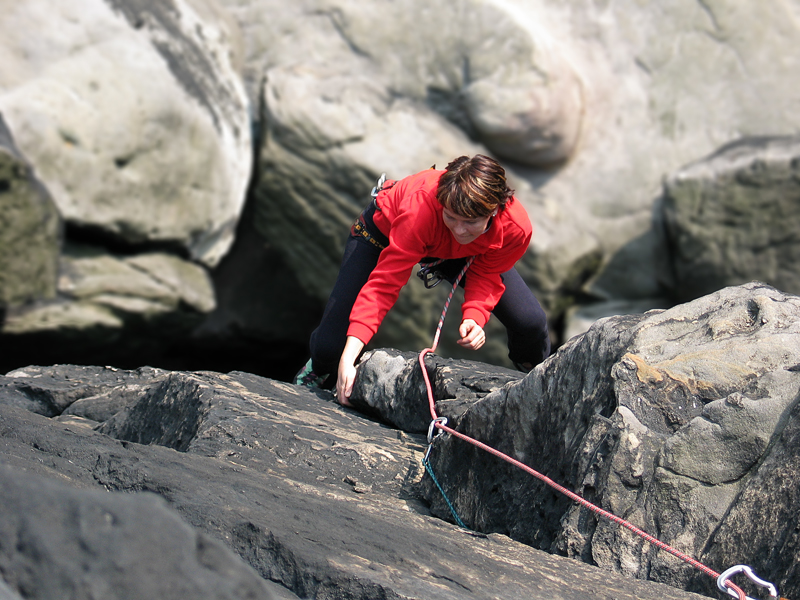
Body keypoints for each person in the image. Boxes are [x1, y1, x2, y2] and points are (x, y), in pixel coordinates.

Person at [294, 154, 550, 405]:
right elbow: (384, 286)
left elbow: (487, 271)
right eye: (451, 216)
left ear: (494, 210)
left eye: (470, 221)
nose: (460, 229)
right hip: (384, 234)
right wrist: (348, 360)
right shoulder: (421, 210)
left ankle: (538, 378)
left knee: (530, 323)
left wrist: (475, 315)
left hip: (460, 251)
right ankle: (319, 369)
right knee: (331, 346)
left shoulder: (514, 227)